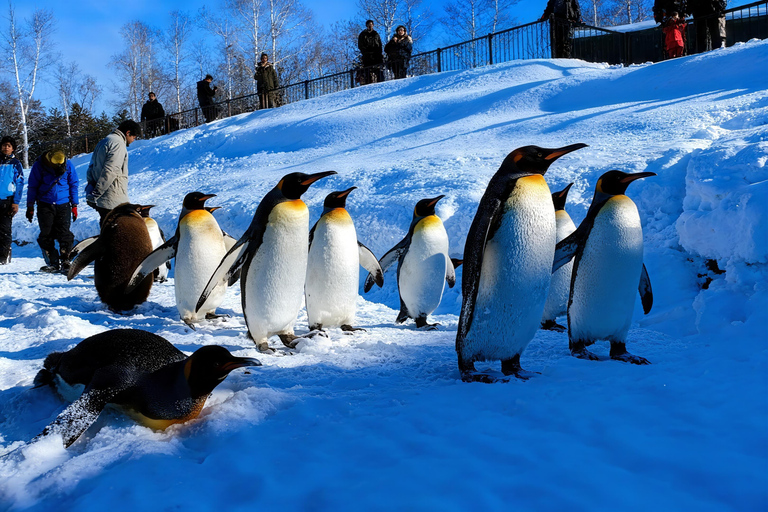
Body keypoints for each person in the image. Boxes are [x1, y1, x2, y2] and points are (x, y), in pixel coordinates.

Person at [26, 148, 78, 273]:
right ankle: (53, 262)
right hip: (45, 204)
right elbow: (32, 186)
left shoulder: (68, 164)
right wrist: (30, 206)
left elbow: (73, 184)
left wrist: (74, 204)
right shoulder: (39, 165)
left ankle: (66, 260)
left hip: (63, 204)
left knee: (64, 233)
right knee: (46, 233)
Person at [85, 120, 142, 222]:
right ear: (128, 133)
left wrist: (91, 186)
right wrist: (97, 193)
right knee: (117, 231)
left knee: (106, 227)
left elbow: (91, 167)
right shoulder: (118, 144)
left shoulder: (104, 141)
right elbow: (110, 171)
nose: (134, 139)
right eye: (134, 136)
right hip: (113, 199)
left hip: (102, 200)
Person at [0, 136, 24, 264]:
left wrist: (16, 202)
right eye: (4, 145)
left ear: (13, 148)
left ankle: (4, 255)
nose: (6, 148)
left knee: (4, 229)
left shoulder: (16, 164)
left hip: (7, 200)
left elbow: (19, 183)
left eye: (8, 146)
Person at [358, 20, 384, 84]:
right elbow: (360, 45)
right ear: (366, 25)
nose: (370, 26)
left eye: (371, 24)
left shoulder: (376, 34)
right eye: (369, 25)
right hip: (367, 56)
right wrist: (366, 52)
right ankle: (368, 84)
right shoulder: (363, 34)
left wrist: (379, 53)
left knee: (379, 71)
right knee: (367, 72)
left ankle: (381, 83)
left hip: (376, 56)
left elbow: (379, 44)